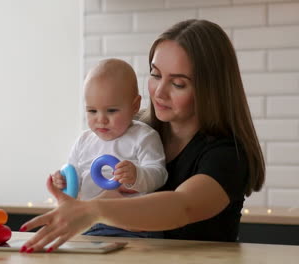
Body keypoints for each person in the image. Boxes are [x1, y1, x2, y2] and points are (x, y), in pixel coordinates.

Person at [19, 19, 265, 253]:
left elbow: (182, 206)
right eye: (155, 75)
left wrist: (96, 210)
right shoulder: (131, 132)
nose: (159, 92)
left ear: (211, 90)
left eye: (178, 83)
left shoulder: (226, 155)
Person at [50, 58, 168, 239]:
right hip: (90, 223)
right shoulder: (83, 142)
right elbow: (74, 179)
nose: (101, 119)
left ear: (135, 105)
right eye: (92, 111)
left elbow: (159, 174)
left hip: (133, 225)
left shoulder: (144, 137)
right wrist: (63, 181)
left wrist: (137, 175)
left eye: (111, 111)